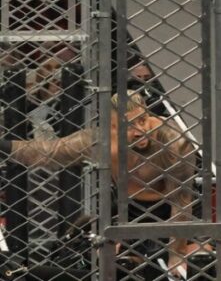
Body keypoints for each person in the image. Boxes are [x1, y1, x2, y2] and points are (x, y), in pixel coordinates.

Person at [0, 92, 198, 276]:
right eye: (128, 126)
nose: (140, 131)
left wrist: (177, 256)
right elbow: (49, 152)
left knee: (173, 264)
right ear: (112, 127)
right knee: (88, 254)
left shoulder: (172, 140)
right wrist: (3, 146)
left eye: (142, 120)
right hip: (126, 210)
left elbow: (181, 202)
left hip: (170, 211)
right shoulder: (100, 140)